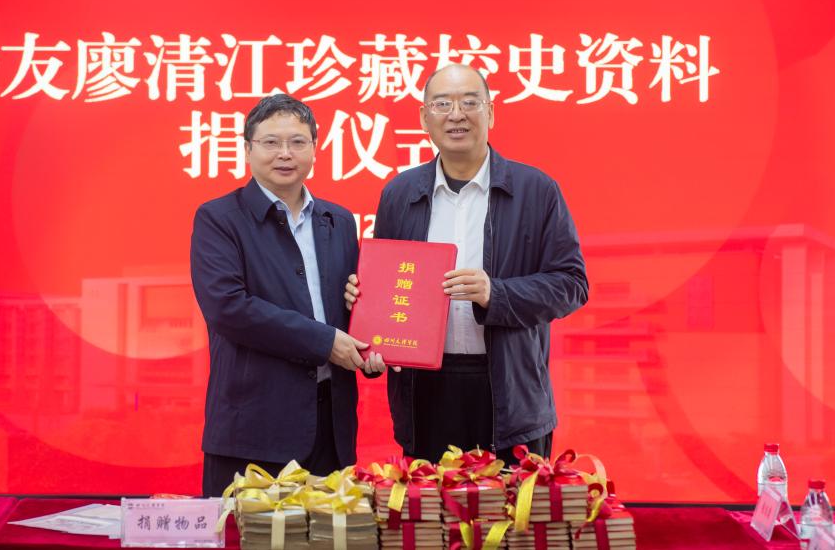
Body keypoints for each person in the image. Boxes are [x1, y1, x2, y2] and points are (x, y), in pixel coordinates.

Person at [345, 64, 588, 466]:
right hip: (425, 395)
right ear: (424, 118)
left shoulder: (536, 190)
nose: (456, 114)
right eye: (442, 104)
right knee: (429, 506)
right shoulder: (399, 194)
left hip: (511, 393)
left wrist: (497, 294)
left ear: (490, 113)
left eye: (470, 102)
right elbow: (387, 288)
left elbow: (571, 284)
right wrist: (370, 330)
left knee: (513, 506)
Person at [191, 93, 386, 497]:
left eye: (297, 142)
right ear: (248, 149)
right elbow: (228, 308)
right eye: (271, 142)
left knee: (329, 532)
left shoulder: (338, 220)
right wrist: (325, 342)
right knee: (247, 530)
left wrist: (375, 346)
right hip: (254, 431)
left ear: (314, 148)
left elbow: (354, 307)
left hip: (331, 428)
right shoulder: (219, 218)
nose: (285, 153)